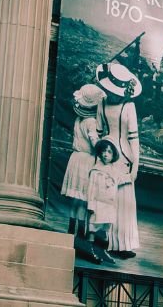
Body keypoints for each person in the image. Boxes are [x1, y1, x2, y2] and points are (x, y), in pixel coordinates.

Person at [96, 60, 142, 258]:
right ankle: (104, 240)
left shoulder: (129, 106)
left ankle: (123, 244)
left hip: (124, 160)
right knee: (107, 200)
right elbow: (98, 133)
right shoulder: (102, 102)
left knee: (125, 203)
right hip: (107, 157)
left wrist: (135, 167)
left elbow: (134, 138)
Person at [61, 83, 105, 236]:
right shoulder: (91, 122)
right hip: (86, 161)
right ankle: (80, 234)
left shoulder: (78, 119)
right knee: (83, 200)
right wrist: (103, 146)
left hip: (76, 159)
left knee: (75, 199)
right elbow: (94, 141)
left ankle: (70, 230)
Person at [84, 138, 126, 266]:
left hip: (109, 205)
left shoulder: (114, 172)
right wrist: (90, 205)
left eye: (109, 152)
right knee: (93, 227)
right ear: (100, 153)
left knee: (104, 229)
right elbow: (91, 188)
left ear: (113, 155)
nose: (106, 154)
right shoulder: (96, 171)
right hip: (97, 204)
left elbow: (118, 185)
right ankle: (90, 249)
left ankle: (101, 250)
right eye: (104, 151)